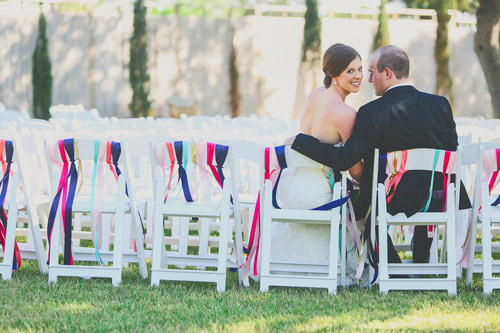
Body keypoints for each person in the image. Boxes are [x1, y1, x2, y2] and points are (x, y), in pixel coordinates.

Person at [285, 45, 470, 265]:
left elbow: (345, 159)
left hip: (394, 199)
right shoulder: (441, 104)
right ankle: (421, 258)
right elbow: (452, 149)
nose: (368, 79)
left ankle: (393, 268)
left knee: (370, 215)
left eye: (371, 73)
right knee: (421, 188)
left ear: (388, 73)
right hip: (440, 197)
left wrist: (301, 141)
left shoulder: (371, 112)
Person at [271, 43, 364, 284]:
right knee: (364, 204)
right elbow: (354, 169)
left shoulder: (314, 94)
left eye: (360, 69)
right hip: (316, 194)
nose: (358, 77)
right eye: (350, 71)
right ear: (334, 74)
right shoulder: (346, 114)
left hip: (289, 185)